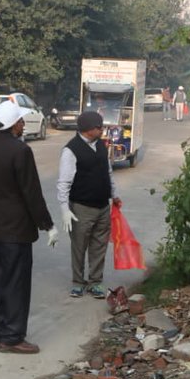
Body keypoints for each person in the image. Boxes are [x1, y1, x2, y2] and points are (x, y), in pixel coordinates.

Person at [0, 101, 57, 353]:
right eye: (20, 121)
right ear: (13, 124)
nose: (23, 125)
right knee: (16, 284)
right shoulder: (20, 151)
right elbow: (31, 192)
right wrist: (47, 224)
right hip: (16, 230)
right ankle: (12, 337)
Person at [57, 111, 121, 299]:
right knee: (79, 246)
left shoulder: (100, 145)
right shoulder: (71, 150)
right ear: (88, 129)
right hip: (81, 208)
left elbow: (108, 172)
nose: (102, 130)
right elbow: (63, 183)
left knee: (99, 246)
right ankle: (78, 282)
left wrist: (114, 195)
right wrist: (64, 209)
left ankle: (95, 282)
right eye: (99, 127)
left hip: (102, 206)